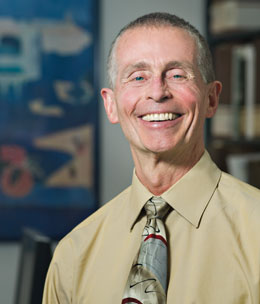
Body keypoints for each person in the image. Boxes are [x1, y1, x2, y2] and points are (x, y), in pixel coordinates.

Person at [43, 12, 260, 303]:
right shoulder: (73, 256)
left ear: (211, 98)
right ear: (111, 105)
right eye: (138, 77)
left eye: (177, 74)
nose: (157, 92)